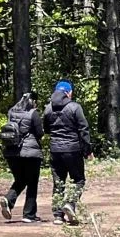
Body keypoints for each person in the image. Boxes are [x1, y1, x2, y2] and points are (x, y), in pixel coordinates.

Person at [43, 81, 93, 225]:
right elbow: (84, 130)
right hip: (73, 150)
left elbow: (46, 129)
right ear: (68, 93)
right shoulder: (75, 107)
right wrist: (87, 151)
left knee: (58, 182)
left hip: (55, 150)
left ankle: (58, 215)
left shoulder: (48, 109)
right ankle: (70, 204)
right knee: (79, 180)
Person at [0, 92, 44, 223]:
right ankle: (29, 214)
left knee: (20, 179)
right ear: (33, 102)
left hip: (11, 152)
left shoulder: (11, 112)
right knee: (32, 183)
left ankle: (8, 199)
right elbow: (40, 133)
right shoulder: (33, 113)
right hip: (30, 153)